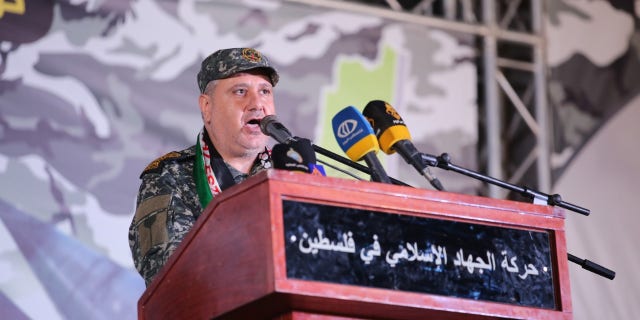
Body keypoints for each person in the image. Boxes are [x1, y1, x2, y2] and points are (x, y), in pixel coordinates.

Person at [128, 47, 279, 286]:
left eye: (265, 91)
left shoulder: (291, 174)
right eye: (240, 91)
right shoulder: (169, 176)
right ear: (207, 107)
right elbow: (168, 272)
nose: (257, 104)